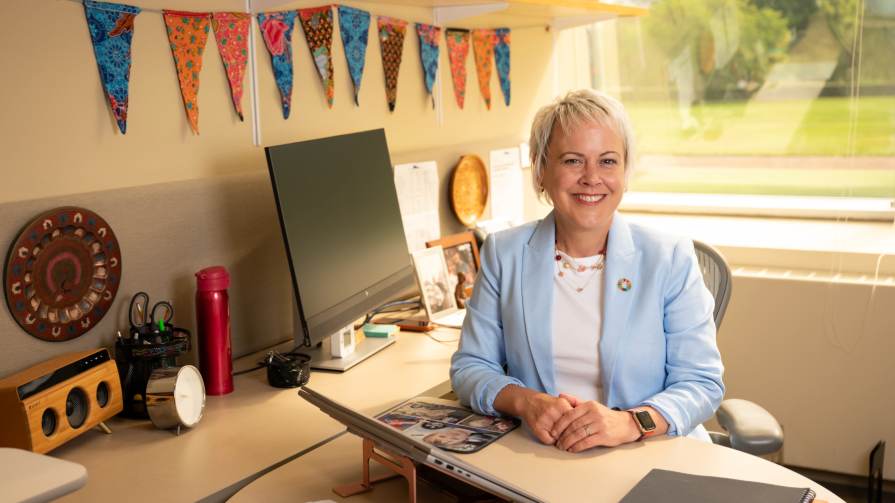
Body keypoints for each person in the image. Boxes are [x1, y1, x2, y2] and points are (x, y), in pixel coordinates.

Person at [450, 89, 724, 453]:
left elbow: (701, 383)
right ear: (541, 170)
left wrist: (630, 422)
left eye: (608, 161)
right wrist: (526, 401)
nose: (592, 177)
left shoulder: (669, 257)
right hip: (543, 455)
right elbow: (471, 367)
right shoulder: (504, 253)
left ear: (625, 171)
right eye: (573, 161)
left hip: (649, 451)